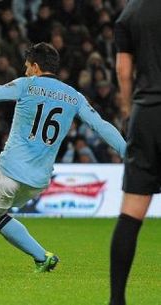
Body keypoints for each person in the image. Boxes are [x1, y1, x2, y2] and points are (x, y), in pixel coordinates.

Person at [0, 42, 126, 272]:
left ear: (35, 66)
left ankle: (42, 256)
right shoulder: (75, 97)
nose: (25, 72)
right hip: (39, 180)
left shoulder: (26, 85)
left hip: (9, 170)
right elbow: (101, 126)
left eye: (26, 67)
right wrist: (128, 153)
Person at [110, 2, 161, 305]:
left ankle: (117, 300)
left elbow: (122, 69)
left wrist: (129, 110)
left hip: (146, 115)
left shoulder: (129, 14)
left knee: (131, 213)